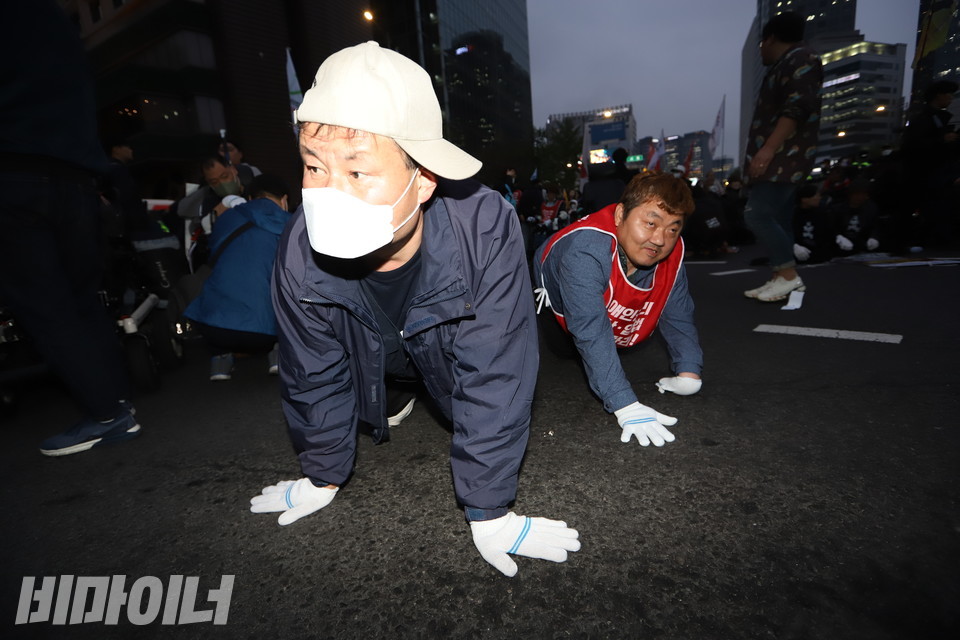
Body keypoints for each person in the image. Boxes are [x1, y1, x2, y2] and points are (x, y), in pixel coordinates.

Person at [249, 41, 580, 578]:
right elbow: (311, 372)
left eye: (358, 173)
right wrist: (322, 473)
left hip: (445, 360)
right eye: (313, 167)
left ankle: (409, 389)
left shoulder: (484, 228)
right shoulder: (297, 249)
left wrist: (489, 508)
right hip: (378, 356)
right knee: (379, 378)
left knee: (449, 382)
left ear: (423, 178)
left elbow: (496, 367)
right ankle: (394, 393)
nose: (329, 193)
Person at [0, 0, 139, 456]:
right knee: (83, 299)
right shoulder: (55, 19)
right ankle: (117, 402)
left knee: (45, 304)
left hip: (15, 170)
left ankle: (104, 412)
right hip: (76, 175)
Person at [533, 173, 703, 449]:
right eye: (650, 223)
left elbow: (678, 310)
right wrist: (624, 403)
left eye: (673, 228)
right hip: (558, 303)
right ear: (620, 214)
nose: (660, 239)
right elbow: (589, 329)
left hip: (606, 305)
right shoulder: (584, 250)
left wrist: (689, 370)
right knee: (566, 350)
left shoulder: (672, 251)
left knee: (606, 339)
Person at [742, 11, 823, 302]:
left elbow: (796, 109)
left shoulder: (800, 59)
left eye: (762, 43)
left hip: (784, 157)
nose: (761, 49)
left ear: (771, 38)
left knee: (757, 214)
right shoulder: (787, 62)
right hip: (784, 157)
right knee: (780, 217)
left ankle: (788, 275)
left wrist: (767, 149)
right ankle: (781, 276)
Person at [184, 174, 292, 381]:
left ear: (250, 198)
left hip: (213, 330)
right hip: (265, 333)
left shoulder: (227, 218)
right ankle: (278, 355)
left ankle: (220, 361)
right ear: (284, 199)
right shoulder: (291, 224)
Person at [900, 79, 960, 248]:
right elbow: (913, 145)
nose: (950, 98)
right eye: (948, 95)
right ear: (938, 96)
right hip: (926, 176)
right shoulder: (925, 118)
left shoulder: (937, 118)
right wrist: (942, 140)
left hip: (935, 175)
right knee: (932, 208)